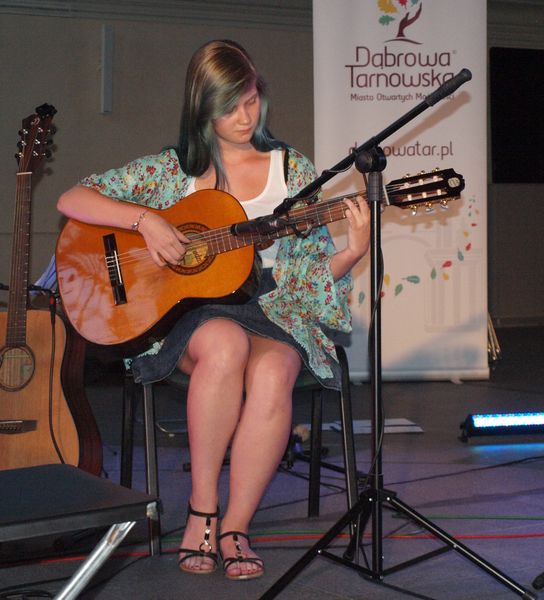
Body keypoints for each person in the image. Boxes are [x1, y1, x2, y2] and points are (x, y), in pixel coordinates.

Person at [57, 39, 370, 581]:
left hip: (272, 307)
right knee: (225, 343)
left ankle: (235, 526)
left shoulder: (292, 170)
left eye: (251, 101)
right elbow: (71, 199)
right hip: (192, 314)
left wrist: (352, 252)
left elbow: (306, 276)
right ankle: (202, 510)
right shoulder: (173, 170)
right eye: (230, 108)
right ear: (202, 109)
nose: (245, 117)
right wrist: (146, 221)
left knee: (275, 369)